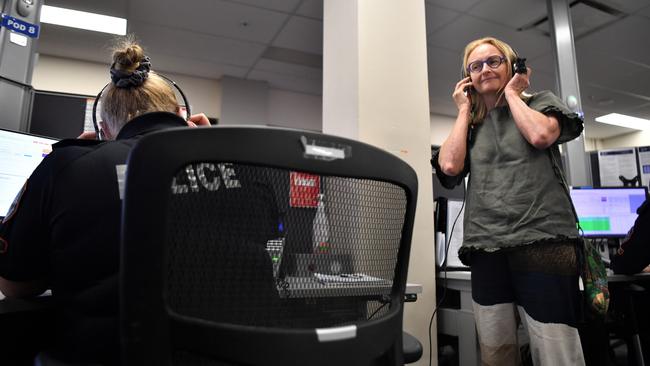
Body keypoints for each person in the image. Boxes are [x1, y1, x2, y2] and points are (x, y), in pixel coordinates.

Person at [0, 38, 209, 364]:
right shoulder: (233, 166)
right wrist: (212, 149)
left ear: (101, 130)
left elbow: (14, 286)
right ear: (183, 116)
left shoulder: (68, 165)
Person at [432, 37, 585, 365]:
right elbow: (448, 166)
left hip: (544, 242)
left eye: (493, 61)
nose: (484, 69)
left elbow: (540, 136)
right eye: (475, 66)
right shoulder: (471, 125)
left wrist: (514, 93)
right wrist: (463, 110)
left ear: (513, 66)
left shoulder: (541, 101)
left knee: (556, 351)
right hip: (488, 245)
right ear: (467, 78)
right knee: (495, 351)